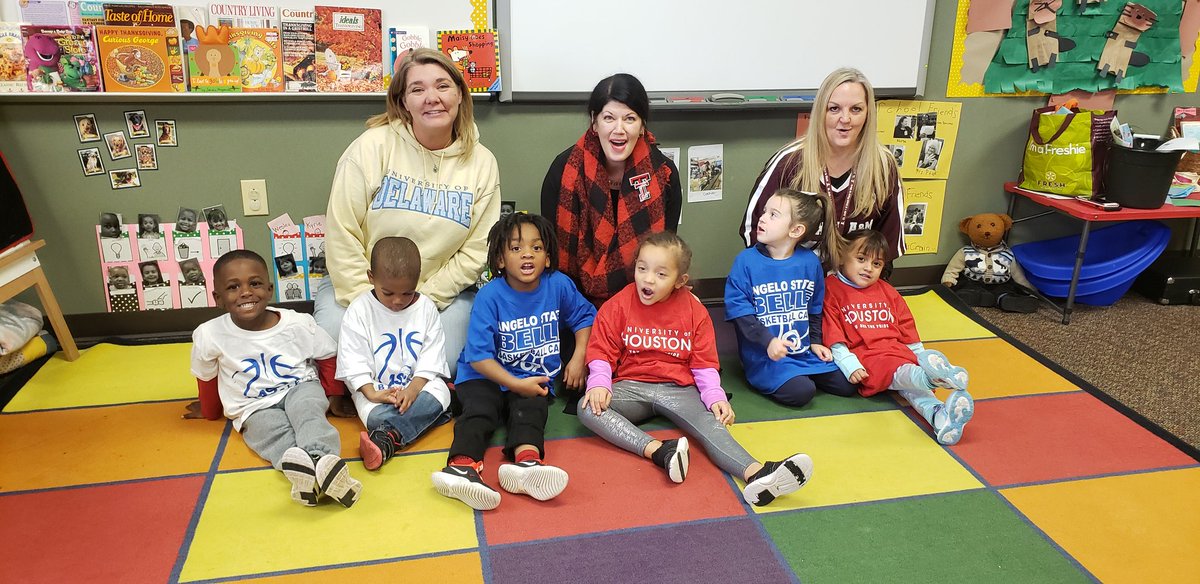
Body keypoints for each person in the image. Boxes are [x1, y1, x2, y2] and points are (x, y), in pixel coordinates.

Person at [579, 231, 813, 507]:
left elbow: (703, 363)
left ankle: (758, 474)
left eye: (661, 274)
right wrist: (599, 383)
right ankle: (659, 452)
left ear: (680, 281)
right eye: (642, 269)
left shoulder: (694, 311)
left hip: (679, 388)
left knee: (711, 426)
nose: (648, 279)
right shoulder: (618, 304)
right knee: (587, 408)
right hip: (632, 386)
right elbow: (602, 350)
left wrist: (715, 397)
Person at [320, 47, 501, 385]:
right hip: (367, 284)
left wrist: (423, 303)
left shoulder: (482, 162)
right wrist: (372, 305)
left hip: (437, 292)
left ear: (460, 94)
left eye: (442, 86)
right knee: (334, 342)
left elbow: (479, 248)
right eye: (418, 89)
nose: (432, 98)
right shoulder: (371, 146)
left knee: (447, 360)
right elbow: (342, 231)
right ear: (403, 101)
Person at [431, 213, 595, 511]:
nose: (527, 254)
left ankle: (526, 465)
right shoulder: (490, 296)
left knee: (531, 409)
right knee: (480, 411)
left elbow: (585, 317)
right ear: (500, 260)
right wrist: (515, 382)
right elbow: (479, 358)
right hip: (483, 375)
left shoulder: (558, 285)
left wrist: (579, 356)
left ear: (547, 257)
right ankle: (461, 467)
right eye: (516, 248)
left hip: (531, 376)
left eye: (536, 247)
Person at [187, 250, 362, 507]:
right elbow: (206, 376)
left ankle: (322, 459)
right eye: (233, 287)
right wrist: (210, 410)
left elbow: (328, 355)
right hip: (253, 406)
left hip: (299, 387)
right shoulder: (209, 334)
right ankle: (303, 472)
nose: (246, 292)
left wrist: (334, 397)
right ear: (218, 298)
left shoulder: (297, 323)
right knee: (270, 433)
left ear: (269, 290)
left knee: (308, 412)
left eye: (255, 284)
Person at [740, 67, 906, 272]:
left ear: (868, 114)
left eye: (856, 109)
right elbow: (753, 230)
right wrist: (775, 278)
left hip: (852, 285)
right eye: (834, 108)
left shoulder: (884, 166)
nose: (845, 119)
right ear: (820, 112)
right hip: (794, 282)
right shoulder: (788, 163)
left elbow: (886, 246)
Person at [540, 73, 682, 306]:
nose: (619, 129)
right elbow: (552, 252)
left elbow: (666, 250)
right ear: (594, 122)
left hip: (644, 298)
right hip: (575, 301)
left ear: (642, 125)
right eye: (609, 118)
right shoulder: (563, 170)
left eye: (630, 119)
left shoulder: (663, 173)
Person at [823, 230, 975, 445]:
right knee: (905, 374)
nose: (868, 268)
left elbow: (906, 326)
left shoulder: (887, 290)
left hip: (897, 351)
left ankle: (938, 416)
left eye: (876, 264)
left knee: (913, 389)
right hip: (868, 358)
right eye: (861, 259)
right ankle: (932, 377)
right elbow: (832, 332)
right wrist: (849, 364)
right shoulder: (831, 289)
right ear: (841, 256)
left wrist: (920, 356)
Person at [724, 189, 857, 407]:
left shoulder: (809, 262)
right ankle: (790, 378)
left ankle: (799, 374)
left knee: (847, 385)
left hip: (802, 352)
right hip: (767, 356)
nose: (763, 218)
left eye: (773, 215)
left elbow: (814, 308)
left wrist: (815, 342)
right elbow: (741, 313)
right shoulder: (745, 261)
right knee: (802, 393)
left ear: (796, 230)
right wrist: (769, 341)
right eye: (765, 212)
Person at [336, 237, 452, 470]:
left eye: (407, 293)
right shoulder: (359, 310)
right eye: (388, 293)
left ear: (417, 281)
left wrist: (413, 389)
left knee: (440, 394)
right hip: (376, 392)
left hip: (417, 388)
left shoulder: (426, 308)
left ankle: (388, 438)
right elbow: (353, 361)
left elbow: (431, 358)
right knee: (376, 418)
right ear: (371, 278)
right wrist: (373, 393)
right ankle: (420, 422)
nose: (397, 302)